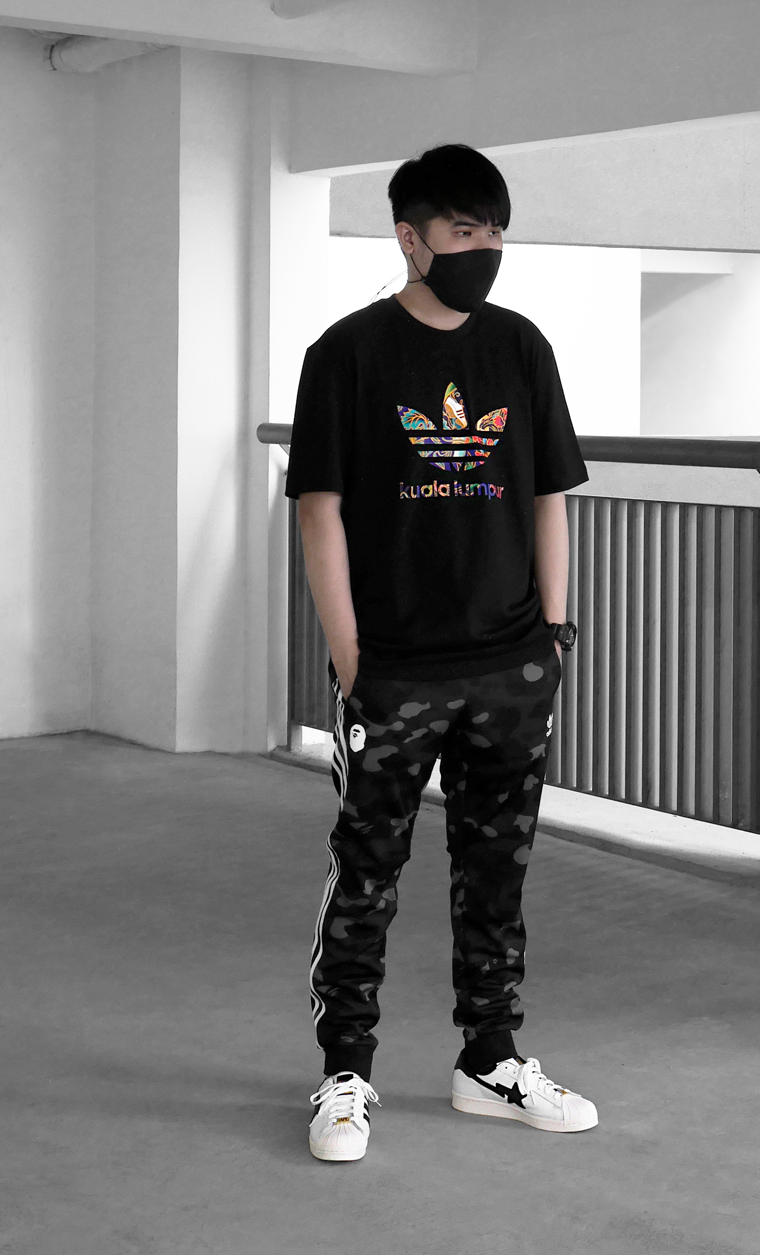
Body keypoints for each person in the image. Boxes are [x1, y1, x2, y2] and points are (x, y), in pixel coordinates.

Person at [285, 143, 598, 1162]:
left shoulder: (521, 347)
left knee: (496, 873)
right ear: (411, 239)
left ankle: (489, 1061)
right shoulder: (348, 353)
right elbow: (320, 511)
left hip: (511, 665)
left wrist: (553, 636)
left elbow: (547, 496)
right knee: (367, 870)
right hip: (396, 669)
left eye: (495, 231)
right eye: (465, 231)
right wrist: (351, 659)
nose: (485, 250)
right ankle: (346, 1074)